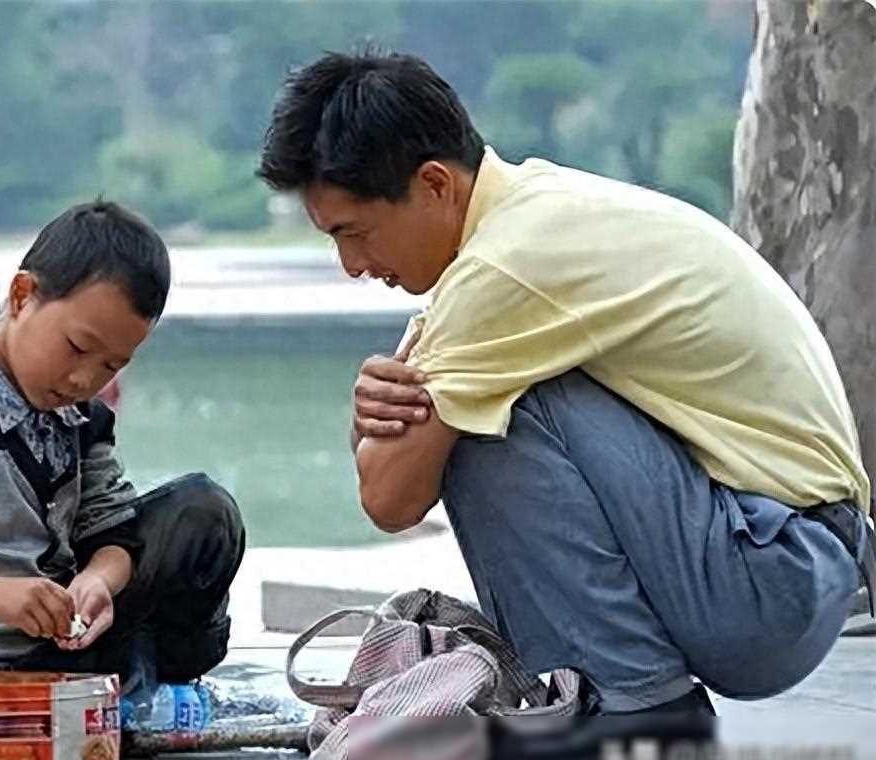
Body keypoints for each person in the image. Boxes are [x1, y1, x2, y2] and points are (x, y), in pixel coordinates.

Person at [258, 50, 873, 717]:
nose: (351, 264)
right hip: (797, 565)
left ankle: (632, 710)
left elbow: (389, 500)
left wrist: (391, 429)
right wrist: (375, 419)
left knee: (494, 413)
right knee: (475, 399)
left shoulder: (506, 268)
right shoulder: (533, 219)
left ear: (435, 184)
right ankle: (624, 699)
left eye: (354, 232)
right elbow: (395, 461)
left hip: (773, 573)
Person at [0, 200, 244, 689]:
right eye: (77, 347)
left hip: (74, 644)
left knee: (204, 514)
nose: (84, 379)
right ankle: (133, 684)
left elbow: (114, 535)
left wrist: (97, 582)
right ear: (22, 295)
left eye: (111, 365)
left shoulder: (83, 418)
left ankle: (152, 685)